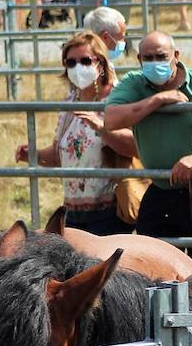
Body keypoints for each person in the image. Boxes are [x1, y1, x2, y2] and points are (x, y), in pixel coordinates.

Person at [104, 31, 192, 264]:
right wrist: (158, 100)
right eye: (147, 58)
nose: (154, 63)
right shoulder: (134, 83)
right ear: (139, 60)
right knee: (153, 262)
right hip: (161, 185)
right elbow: (111, 119)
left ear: (175, 55)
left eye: (161, 56)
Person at [16, 31, 139, 235]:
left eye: (85, 60)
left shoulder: (118, 98)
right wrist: (33, 155)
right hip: (72, 213)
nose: (78, 67)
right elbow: (58, 155)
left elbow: (135, 147)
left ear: (100, 63)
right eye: (70, 62)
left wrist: (101, 127)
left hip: (110, 211)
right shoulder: (70, 102)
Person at [83, 6, 129, 74]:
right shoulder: (92, 71)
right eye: (121, 38)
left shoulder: (104, 64)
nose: (123, 42)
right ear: (105, 37)